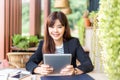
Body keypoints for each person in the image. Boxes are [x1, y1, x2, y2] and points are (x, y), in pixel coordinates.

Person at [26, 11, 94, 75]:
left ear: (65, 28)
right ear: (48, 28)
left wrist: (75, 71)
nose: (55, 31)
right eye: (52, 27)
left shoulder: (73, 43)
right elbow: (29, 63)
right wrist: (38, 69)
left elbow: (88, 64)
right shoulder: (43, 43)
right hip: (48, 78)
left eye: (59, 27)